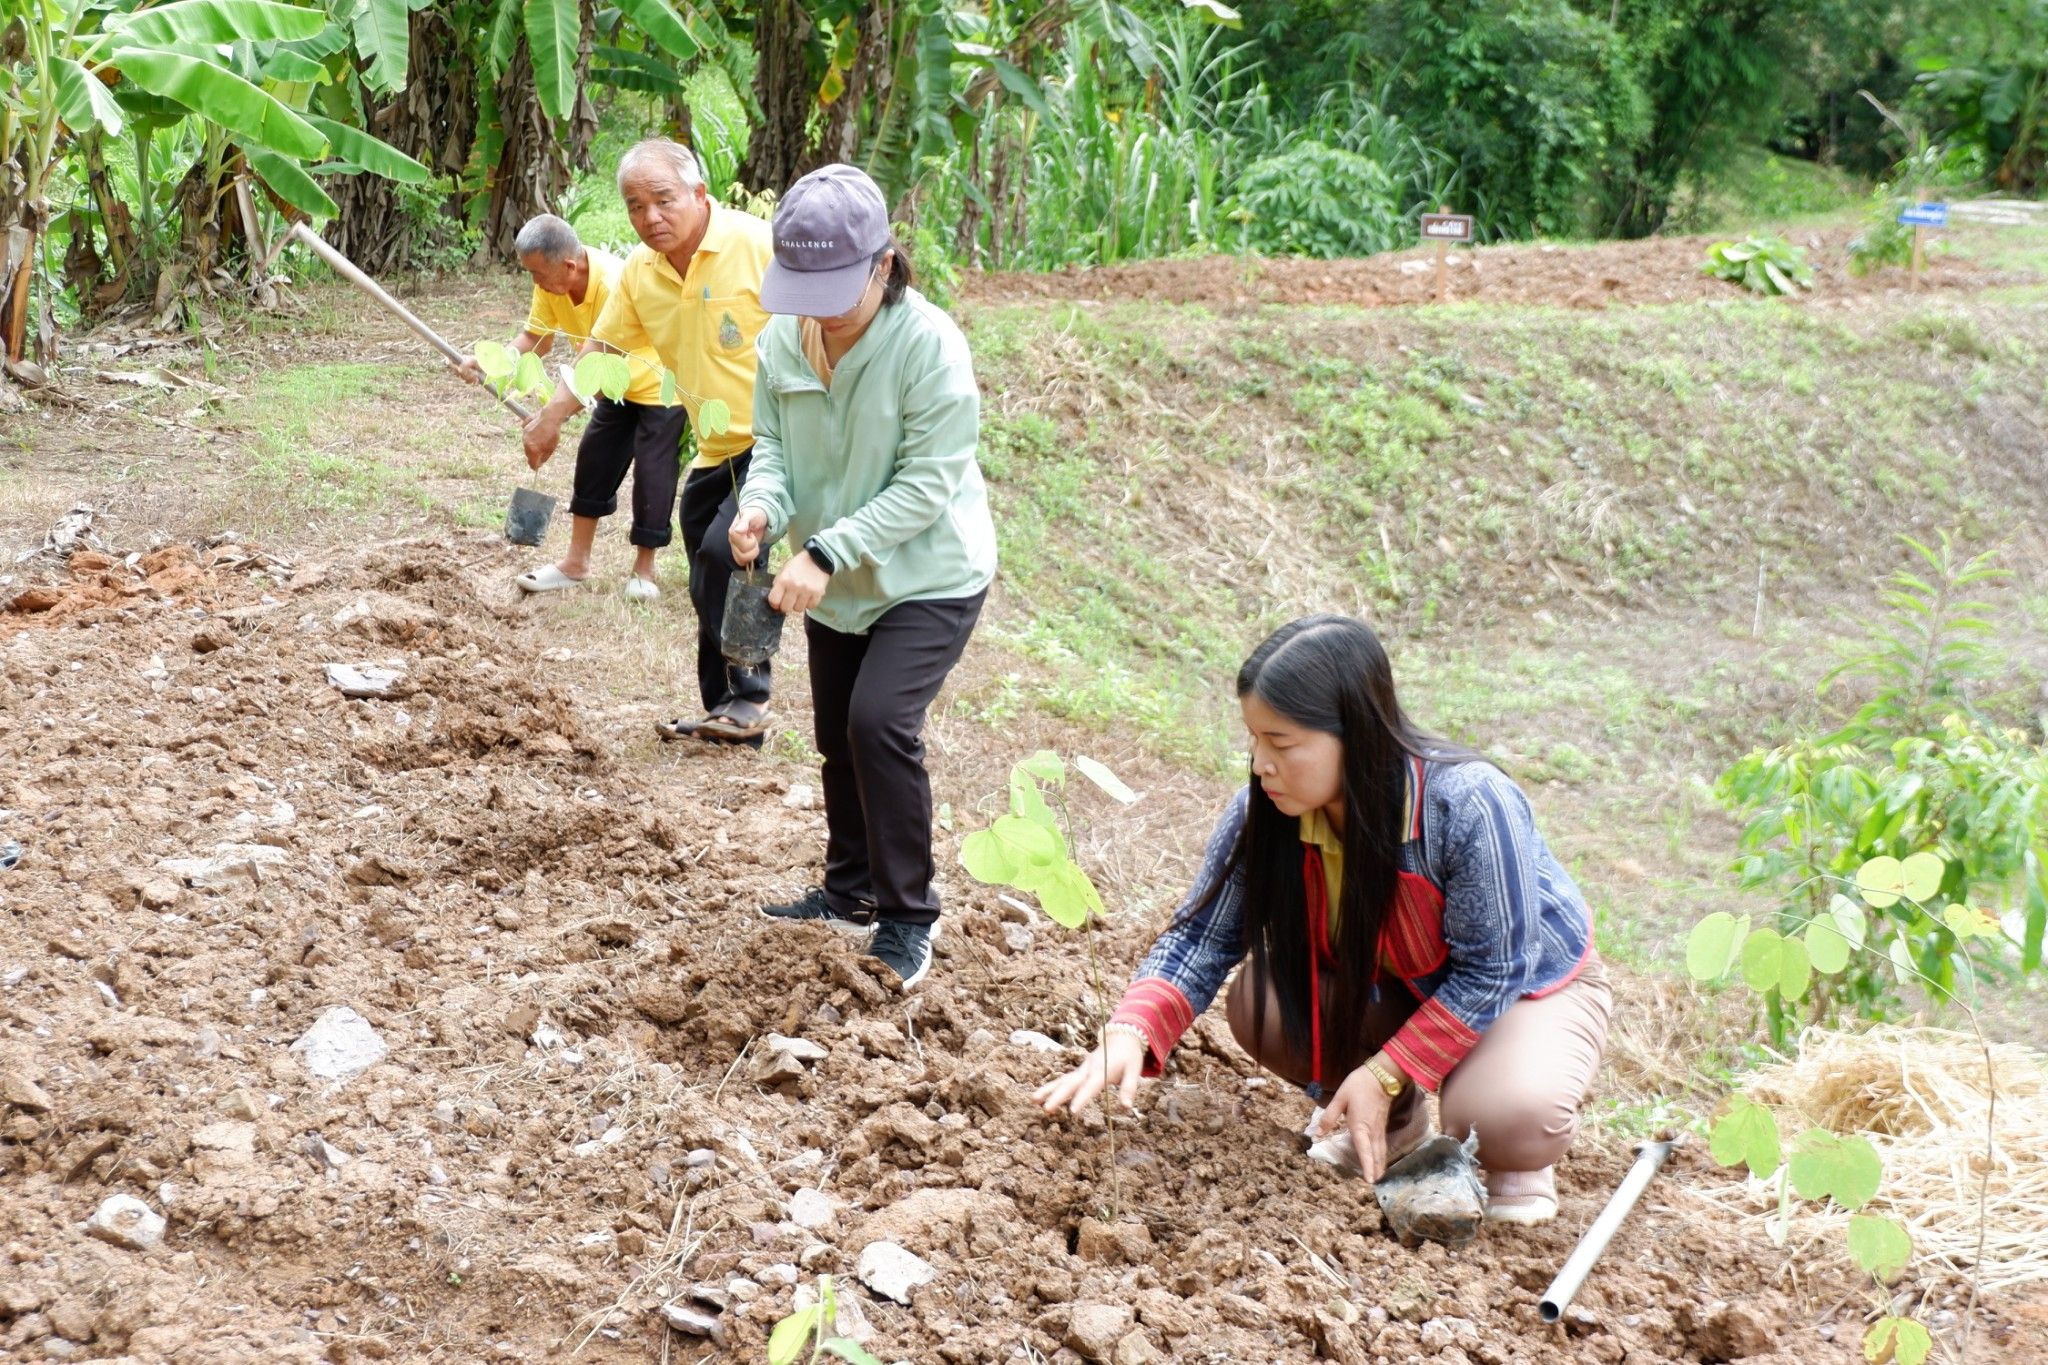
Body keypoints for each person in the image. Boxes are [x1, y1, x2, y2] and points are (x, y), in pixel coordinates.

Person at [1033, 615, 1612, 1226]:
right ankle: (1393, 1124)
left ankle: (1513, 1156)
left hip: (1527, 990)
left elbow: (1496, 970)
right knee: (1262, 1004)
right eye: (1254, 739)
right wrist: (1131, 1030)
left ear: (1356, 735)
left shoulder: (1466, 803)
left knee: (1503, 1118)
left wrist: (1383, 1069)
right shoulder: (1266, 813)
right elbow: (1203, 936)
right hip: (1403, 987)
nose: (1261, 764)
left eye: (1282, 744)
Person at [728, 164, 996, 992]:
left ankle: (910, 915)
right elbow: (773, 447)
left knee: (880, 723)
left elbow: (927, 483)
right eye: (804, 291)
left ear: (883, 264)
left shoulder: (929, 348)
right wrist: (762, 508)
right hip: (831, 577)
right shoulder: (784, 340)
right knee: (838, 733)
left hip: (928, 574)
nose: (820, 311)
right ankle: (848, 893)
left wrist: (826, 551)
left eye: (837, 290)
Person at [523, 141, 776, 746]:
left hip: (776, 442)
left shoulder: (756, 245)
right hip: (715, 446)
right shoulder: (641, 272)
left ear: (699, 195)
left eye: (663, 200)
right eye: (636, 206)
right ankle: (725, 708)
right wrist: (552, 417)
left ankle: (750, 698)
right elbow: (603, 350)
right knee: (704, 569)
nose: (650, 216)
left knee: (728, 554)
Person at [455, 214, 678, 602]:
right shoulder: (551, 283)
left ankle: (644, 570)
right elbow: (535, 339)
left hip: (657, 384)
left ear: (569, 266)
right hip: (608, 385)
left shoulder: (613, 284)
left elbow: (603, 359)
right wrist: (490, 363)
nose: (535, 282)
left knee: (653, 471)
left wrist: (552, 417)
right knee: (594, 460)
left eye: (538, 273)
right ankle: (576, 564)